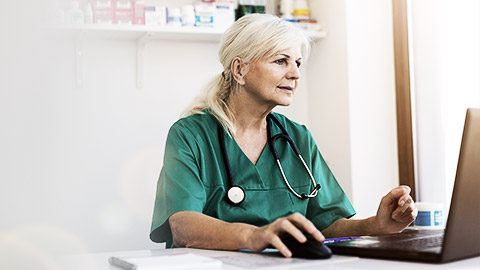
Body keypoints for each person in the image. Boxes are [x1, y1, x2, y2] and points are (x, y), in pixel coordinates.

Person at [150, 13, 417, 258]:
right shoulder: (190, 135)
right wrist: (256, 235)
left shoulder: (297, 138)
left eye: (298, 63)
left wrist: (376, 225)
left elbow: (325, 226)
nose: (296, 74)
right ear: (239, 69)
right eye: (281, 61)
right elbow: (182, 226)